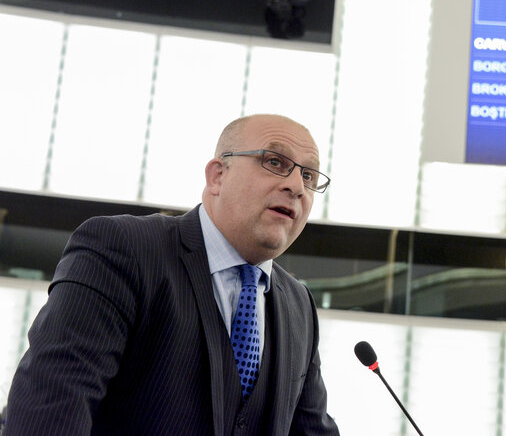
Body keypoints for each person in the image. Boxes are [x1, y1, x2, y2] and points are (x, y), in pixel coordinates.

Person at [4, 114, 340, 435]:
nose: (297, 185)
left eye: (309, 176)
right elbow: (50, 406)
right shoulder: (122, 248)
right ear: (218, 176)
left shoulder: (299, 305)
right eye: (274, 162)